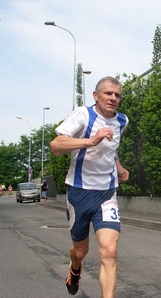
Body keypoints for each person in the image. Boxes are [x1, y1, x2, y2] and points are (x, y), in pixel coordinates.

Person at [50, 76, 129, 297]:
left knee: (110, 251)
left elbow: (111, 149)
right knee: (81, 251)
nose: (113, 98)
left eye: (117, 95)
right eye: (108, 93)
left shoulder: (123, 121)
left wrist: (119, 166)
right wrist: (90, 140)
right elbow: (56, 146)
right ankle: (75, 268)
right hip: (79, 193)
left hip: (106, 194)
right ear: (96, 95)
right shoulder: (83, 115)